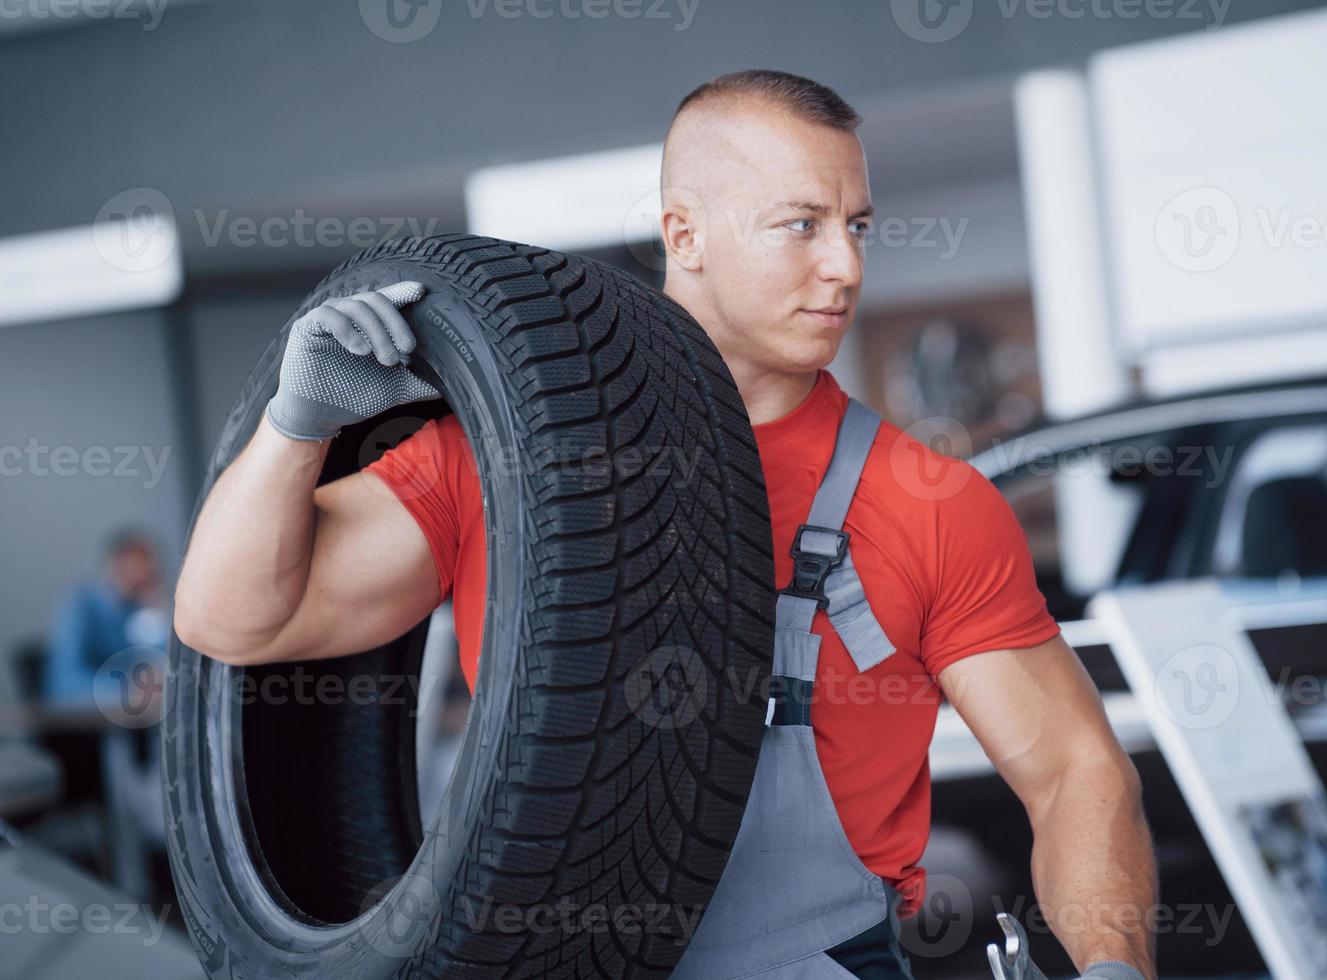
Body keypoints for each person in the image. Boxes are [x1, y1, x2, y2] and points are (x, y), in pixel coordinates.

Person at [174, 70, 1156, 980]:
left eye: (857, 223)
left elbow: (1072, 767)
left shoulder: (927, 499)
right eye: (799, 224)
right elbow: (238, 622)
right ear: (685, 235)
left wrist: (1113, 963)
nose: (845, 264)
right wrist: (292, 429)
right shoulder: (504, 466)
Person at [45, 527, 167, 706]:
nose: (144, 575)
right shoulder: (78, 606)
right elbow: (68, 681)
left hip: (129, 716)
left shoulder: (138, 611)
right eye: (137, 565)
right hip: (78, 721)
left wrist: (159, 611)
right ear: (114, 564)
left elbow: (161, 663)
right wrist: (129, 689)